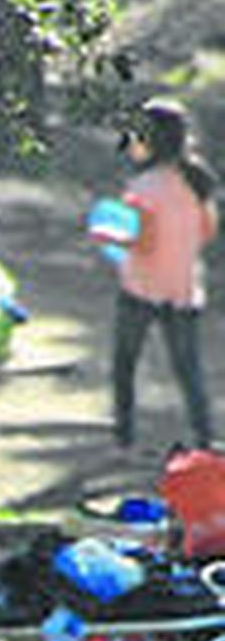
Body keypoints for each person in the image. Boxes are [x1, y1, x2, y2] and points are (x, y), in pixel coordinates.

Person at [108, 97, 217, 450]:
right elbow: (206, 231)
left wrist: (109, 236)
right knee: (190, 372)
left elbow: (139, 241)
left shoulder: (141, 189)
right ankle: (205, 438)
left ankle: (124, 436)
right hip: (184, 290)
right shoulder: (198, 185)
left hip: (140, 289)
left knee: (124, 365)